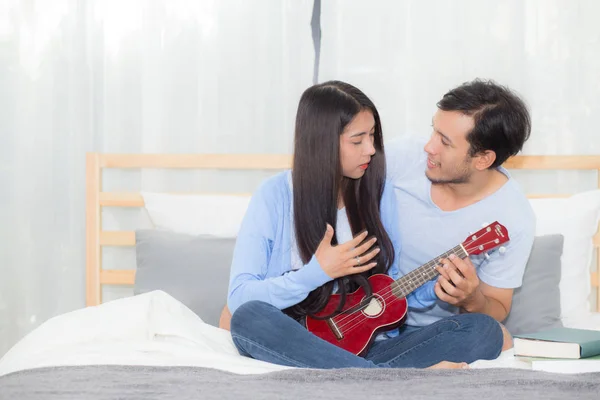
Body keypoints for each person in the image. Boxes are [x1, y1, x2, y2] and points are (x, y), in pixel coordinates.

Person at [226, 80, 503, 370]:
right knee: (249, 318)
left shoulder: (378, 193)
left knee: (484, 331)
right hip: (298, 344)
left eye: (372, 136)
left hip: (371, 349)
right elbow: (240, 297)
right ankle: (388, 380)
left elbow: (389, 291)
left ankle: (367, 378)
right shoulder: (274, 195)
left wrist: (440, 286)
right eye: (358, 141)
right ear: (322, 142)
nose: (370, 149)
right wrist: (316, 274)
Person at [385, 79, 535, 350]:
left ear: (483, 159)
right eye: (434, 131)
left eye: (445, 142)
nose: (429, 147)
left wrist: (471, 298)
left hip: (431, 335)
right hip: (354, 310)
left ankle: (378, 364)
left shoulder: (513, 218)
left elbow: (498, 306)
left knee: (494, 335)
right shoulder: (403, 156)